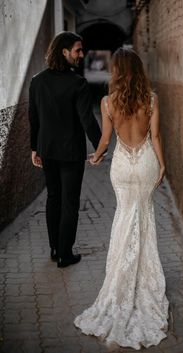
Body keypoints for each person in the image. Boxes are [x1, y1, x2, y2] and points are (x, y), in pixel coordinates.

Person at [74, 47, 169, 349]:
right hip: (144, 164)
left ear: (116, 71)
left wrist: (97, 156)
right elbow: (155, 138)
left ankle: (119, 283)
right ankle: (142, 282)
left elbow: (105, 139)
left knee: (124, 217)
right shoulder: (151, 99)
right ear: (138, 70)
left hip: (121, 167)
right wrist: (163, 164)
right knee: (143, 219)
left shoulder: (106, 102)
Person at [28, 32, 102, 268]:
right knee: (69, 203)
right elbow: (87, 120)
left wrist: (34, 148)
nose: (81, 55)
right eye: (78, 50)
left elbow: (34, 119)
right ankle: (64, 254)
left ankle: (54, 248)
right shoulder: (77, 83)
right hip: (70, 154)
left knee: (53, 198)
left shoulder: (37, 81)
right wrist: (100, 146)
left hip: (47, 150)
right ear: (64, 52)